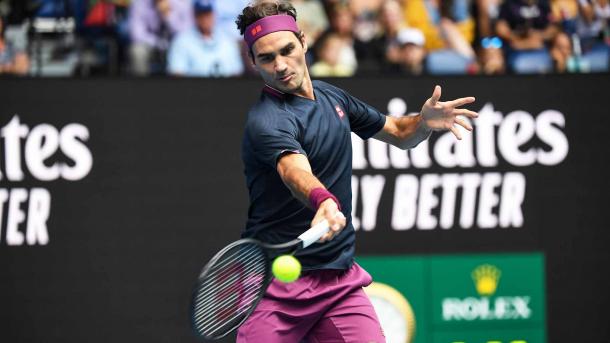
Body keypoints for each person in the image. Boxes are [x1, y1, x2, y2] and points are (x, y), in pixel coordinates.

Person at [234, 1, 478, 341]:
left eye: (287, 50)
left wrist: (423, 123)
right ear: (253, 62)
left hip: (338, 281)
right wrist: (323, 200)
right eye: (266, 58)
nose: (280, 65)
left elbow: (397, 131)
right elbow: (293, 171)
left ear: (303, 41)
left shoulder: (333, 97)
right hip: (274, 285)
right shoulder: (267, 120)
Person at [167, 0, 244, 77]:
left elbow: (237, 73)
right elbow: (177, 75)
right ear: (194, 16)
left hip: (226, 87)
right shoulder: (181, 41)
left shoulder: (227, 40)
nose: (205, 19)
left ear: (214, 14)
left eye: (208, 14)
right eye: (201, 15)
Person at [128, 0, 193, 75]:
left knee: (188, 49)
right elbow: (136, 35)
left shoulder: (182, 3)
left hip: (175, 45)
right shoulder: (139, 3)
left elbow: (187, 34)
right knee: (137, 51)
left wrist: (168, 15)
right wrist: (158, 43)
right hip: (151, 45)